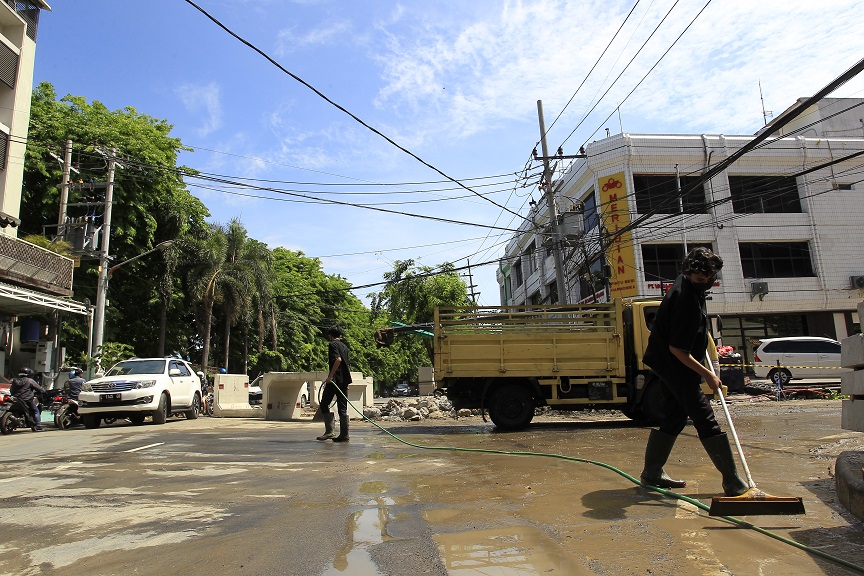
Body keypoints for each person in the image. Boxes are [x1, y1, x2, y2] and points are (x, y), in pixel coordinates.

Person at [639, 247, 748, 497]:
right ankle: (731, 481)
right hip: (674, 364)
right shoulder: (684, 298)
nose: (705, 283)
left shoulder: (691, 284)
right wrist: (709, 375)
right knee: (704, 417)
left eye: (708, 279)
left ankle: (652, 473)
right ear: (688, 274)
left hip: (670, 362)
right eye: (699, 280)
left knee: (674, 418)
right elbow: (677, 349)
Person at [316, 325, 352, 442]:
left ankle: (330, 431)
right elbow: (346, 364)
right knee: (342, 408)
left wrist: (330, 376)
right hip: (344, 381)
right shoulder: (345, 346)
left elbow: (338, 360)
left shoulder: (333, 345)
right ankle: (344, 435)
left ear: (330, 335)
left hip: (335, 381)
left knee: (324, 404)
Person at [10, 367, 45, 431]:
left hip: (16, 399)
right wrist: (42, 391)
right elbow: (40, 389)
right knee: (36, 411)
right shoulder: (30, 381)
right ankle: (38, 425)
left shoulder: (15, 380)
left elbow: (11, 390)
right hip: (27, 400)